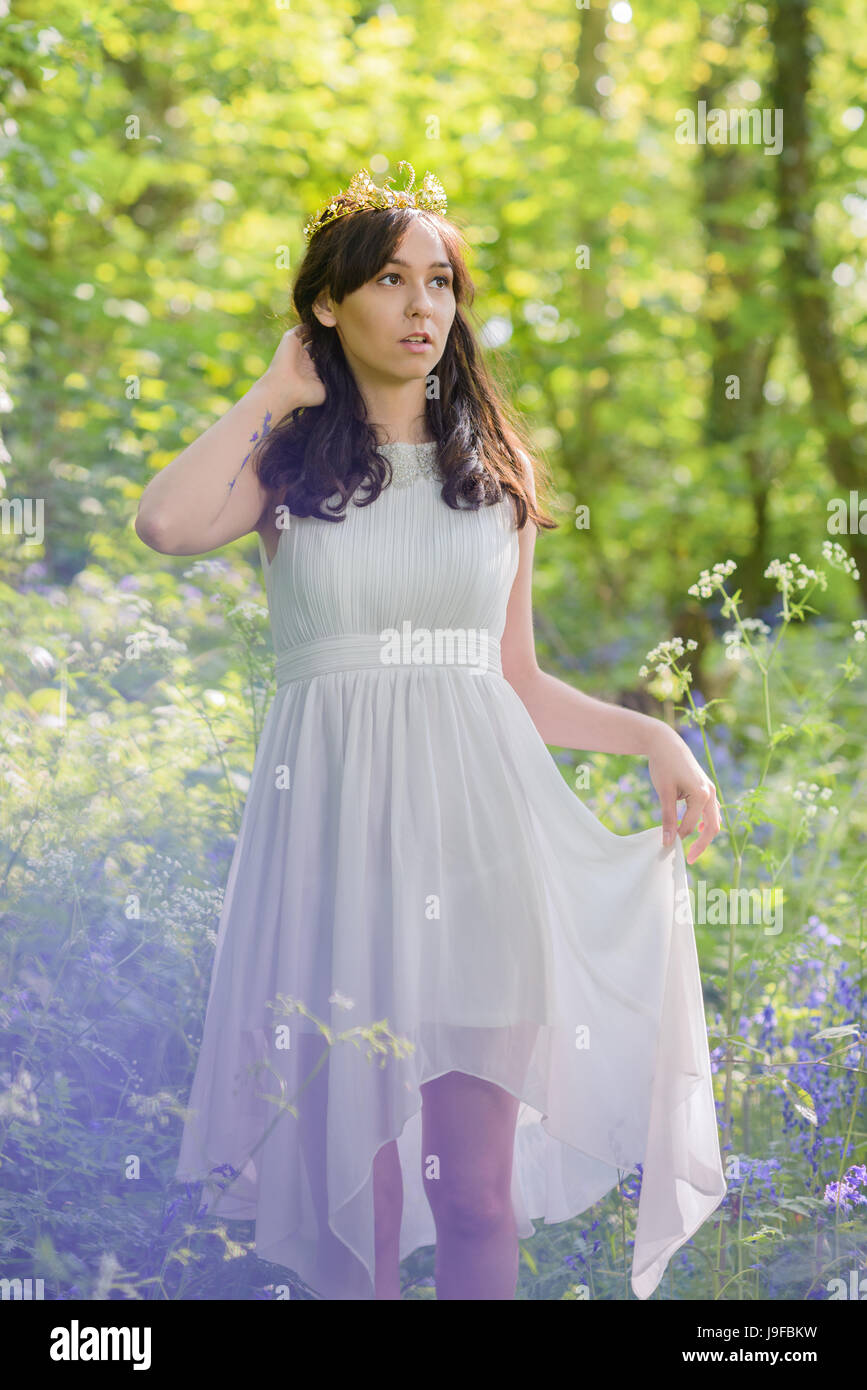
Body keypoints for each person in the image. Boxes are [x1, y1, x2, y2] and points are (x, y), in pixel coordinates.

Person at [136, 163, 726, 1301]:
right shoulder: (287, 471)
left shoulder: (497, 478)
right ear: (328, 306)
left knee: (474, 1193)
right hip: (338, 860)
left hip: (481, 853)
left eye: (441, 283)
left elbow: (520, 682)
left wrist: (660, 740)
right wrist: (274, 391)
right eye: (393, 281)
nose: (423, 308)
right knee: (361, 1203)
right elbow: (164, 521)